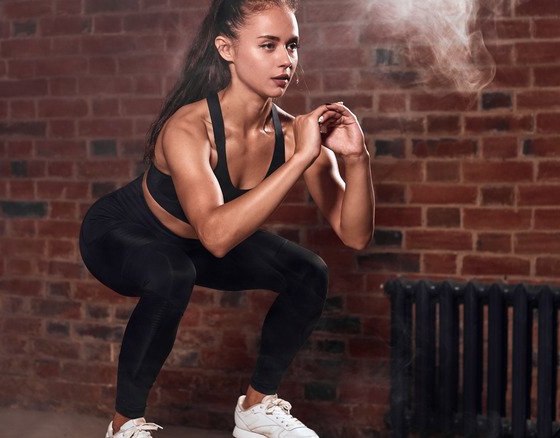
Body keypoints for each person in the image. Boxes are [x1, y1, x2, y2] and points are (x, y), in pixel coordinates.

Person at [78, 0, 375, 436]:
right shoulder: (188, 126)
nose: (285, 60)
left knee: (308, 272)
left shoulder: (295, 135)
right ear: (227, 49)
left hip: (195, 242)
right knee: (172, 271)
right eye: (268, 45)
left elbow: (354, 236)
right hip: (122, 234)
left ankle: (254, 411)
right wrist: (300, 161)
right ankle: (124, 426)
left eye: (292, 46)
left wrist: (356, 159)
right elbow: (216, 237)